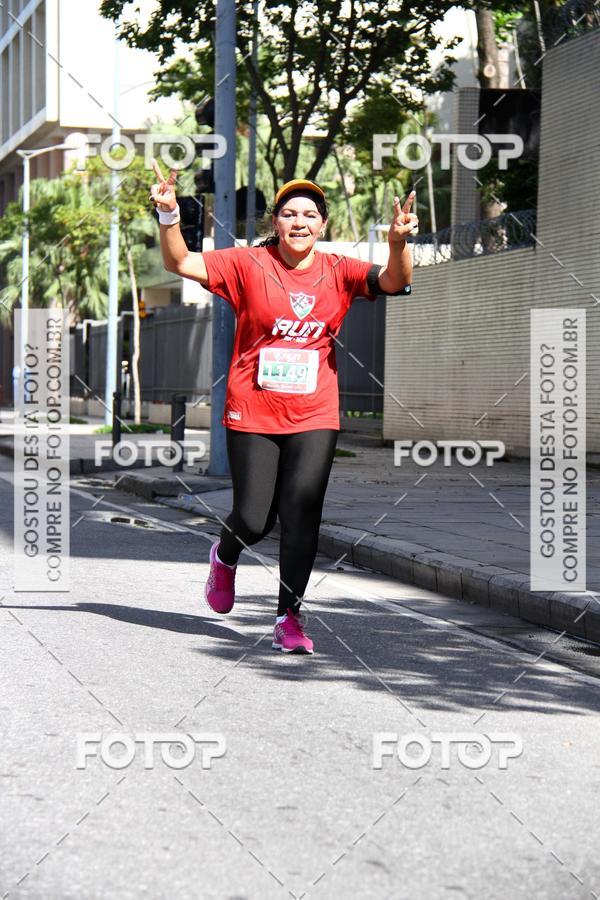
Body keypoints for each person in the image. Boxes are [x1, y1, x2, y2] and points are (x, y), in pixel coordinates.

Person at [150, 160, 416, 654]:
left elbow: (394, 282)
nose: (300, 222)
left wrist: (398, 243)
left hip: (315, 413)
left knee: (302, 513)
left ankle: (288, 618)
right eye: (290, 213)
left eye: (310, 214)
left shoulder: (339, 270)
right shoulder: (247, 264)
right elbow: (181, 263)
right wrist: (169, 215)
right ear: (276, 222)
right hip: (253, 409)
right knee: (255, 520)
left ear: (323, 225)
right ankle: (225, 555)